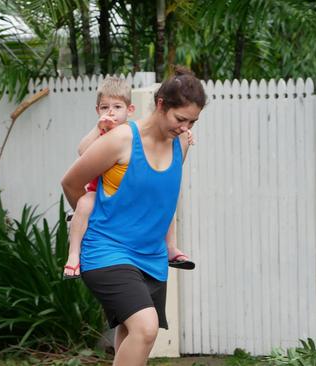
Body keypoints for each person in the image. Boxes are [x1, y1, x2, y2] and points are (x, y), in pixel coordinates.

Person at [60, 66, 207, 365]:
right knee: (145, 327)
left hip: (150, 255)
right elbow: (70, 182)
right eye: (181, 119)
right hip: (108, 251)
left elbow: (162, 197)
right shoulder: (122, 139)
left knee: (131, 333)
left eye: (192, 121)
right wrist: (95, 224)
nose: (185, 127)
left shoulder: (179, 143)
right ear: (161, 104)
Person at [63, 76, 194, 280]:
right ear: (97, 109)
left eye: (117, 106)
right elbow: (82, 151)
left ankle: (171, 247)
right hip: (98, 191)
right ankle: (73, 255)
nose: (111, 112)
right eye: (105, 107)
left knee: (164, 202)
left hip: (127, 197)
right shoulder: (103, 130)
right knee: (85, 203)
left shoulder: (132, 134)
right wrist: (98, 130)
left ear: (130, 110)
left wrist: (183, 137)